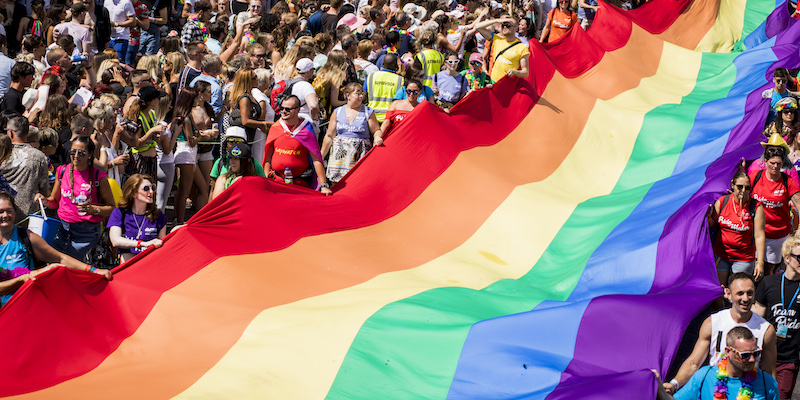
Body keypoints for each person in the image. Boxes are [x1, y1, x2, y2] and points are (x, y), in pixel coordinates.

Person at [662, 273, 776, 394]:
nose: (746, 298)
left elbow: (769, 371)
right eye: (740, 293)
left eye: (750, 293)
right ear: (728, 293)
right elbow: (694, 363)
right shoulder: (712, 323)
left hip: (748, 391)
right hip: (716, 390)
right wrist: (674, 384)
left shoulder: (766, 330)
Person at [0, 192, 111, 307]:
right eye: (1, 211)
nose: (5, 215)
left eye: (9, 211)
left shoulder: (25, 237)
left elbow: (60, 258)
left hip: (30, 307)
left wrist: (94, 271)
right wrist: (20, 280)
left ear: (15, 212)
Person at [36, 136, 116, 262]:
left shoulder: (98, 176)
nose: (76, 156)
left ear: (90, 154)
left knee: (80, 272)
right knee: (58, 268)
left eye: (81, 153)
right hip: (61, 229)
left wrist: (93, 209)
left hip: (86, 233)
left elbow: (112, 208)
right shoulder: (62, 171)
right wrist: (45, 200)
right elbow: (54, 201)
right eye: (73, 152)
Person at [656, 327, 779, 400]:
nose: (752, 359)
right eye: (745, 355)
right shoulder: (704, 376)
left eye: (756, 353)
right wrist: (659, 389)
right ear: (728, 352)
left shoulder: (766, 382)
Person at [754, 236, 800, 400]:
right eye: (799, 258)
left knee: (782, 397)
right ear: (787, 258)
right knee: (757, 395)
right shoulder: (768, 283)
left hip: (789, 359)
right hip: (763, 353)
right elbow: (756, 313)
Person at [750, 136, 800, 275]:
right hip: (753, 234)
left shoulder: (787, 181)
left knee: (767, 272)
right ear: (765, 161)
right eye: (772, 163)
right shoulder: (755, 177)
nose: (775, 167)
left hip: (777, 237)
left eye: (778, 163)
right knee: (751, 269)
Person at [263, 95, 332, 195]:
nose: (283, 111)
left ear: (297, 110)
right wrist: (266, 179)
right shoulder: (275, 128)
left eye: (288, 109)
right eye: (281, 108)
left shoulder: (306, 130)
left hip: (300, 184)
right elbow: (267, 156)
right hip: (276, 182)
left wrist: (323, 185)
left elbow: (316, 159)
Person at [707, 170, 766, 283]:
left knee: (737, 291)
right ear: (732, 185)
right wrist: (709, 217)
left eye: (747, 188)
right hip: (721, 255)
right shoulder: (722, 201)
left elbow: (759, 236)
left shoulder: (756, 207)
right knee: (720, 291)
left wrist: (760, 262)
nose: (743, 191)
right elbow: (713, 225)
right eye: (740, 187)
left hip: (743, 258)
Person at [321, 82, 381, 183]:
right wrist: (321, 156)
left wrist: (377, 138)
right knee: (336, 185)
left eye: (362, 93)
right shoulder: (337, 112)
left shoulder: (368, 112)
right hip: (339, 159)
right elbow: (329, 136)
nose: (361, 96)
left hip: (359, 156)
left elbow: (376, 130)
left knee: (358, 183)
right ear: (348, 95)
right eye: (357, 93)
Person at [172, 87, 211, 225]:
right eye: (195, 97)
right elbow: (191, 141)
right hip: (186, 154)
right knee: (185, 191)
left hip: (188, 155)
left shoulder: (183, 114)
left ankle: (181, 219)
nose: (197, 99)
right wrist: (201, 136)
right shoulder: (186, 118)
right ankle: (180, 222)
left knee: (200, 188)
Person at [108, 174, 166, 262]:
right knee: (126, 257)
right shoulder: (120, 213)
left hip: (150, 259)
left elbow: (162, 244)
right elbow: (115, 240)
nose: (151, 192)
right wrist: (142, 244)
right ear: (134, 193)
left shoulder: (158, 215)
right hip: (128, 260)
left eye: (153, 188)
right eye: (146, 188)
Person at [0, 115, 49, 218]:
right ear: (27, 132)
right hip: (29, 216)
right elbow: (45, 189)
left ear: (10, 132)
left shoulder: (2, 153)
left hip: (4, 214)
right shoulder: (39, 157)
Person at [123, 85, 168, 180]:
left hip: (152, 160)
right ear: (151, 102)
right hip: (140, 160)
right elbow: (137, 144)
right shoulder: (138, 118)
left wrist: (157, 136)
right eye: (157, 98)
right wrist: (152, 131)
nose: (159, 100)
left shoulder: (152, 113)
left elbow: (153, 136)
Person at [475, 15, 530, 82]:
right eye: (503, 25)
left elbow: (525, 72)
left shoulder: (522, 47)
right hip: (493, 83)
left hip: (507, 85)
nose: (505, 27)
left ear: (516, 28)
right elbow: (477, 26)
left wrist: (515, 72)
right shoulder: (497, 39)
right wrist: (497, 20)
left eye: (508, 25)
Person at [364, 53, 404, 124]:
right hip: (390, 119)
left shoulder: (371, 76)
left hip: (372, 117)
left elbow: (364, 96)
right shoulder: (400, 80)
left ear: (383, 63)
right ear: (396, 66)